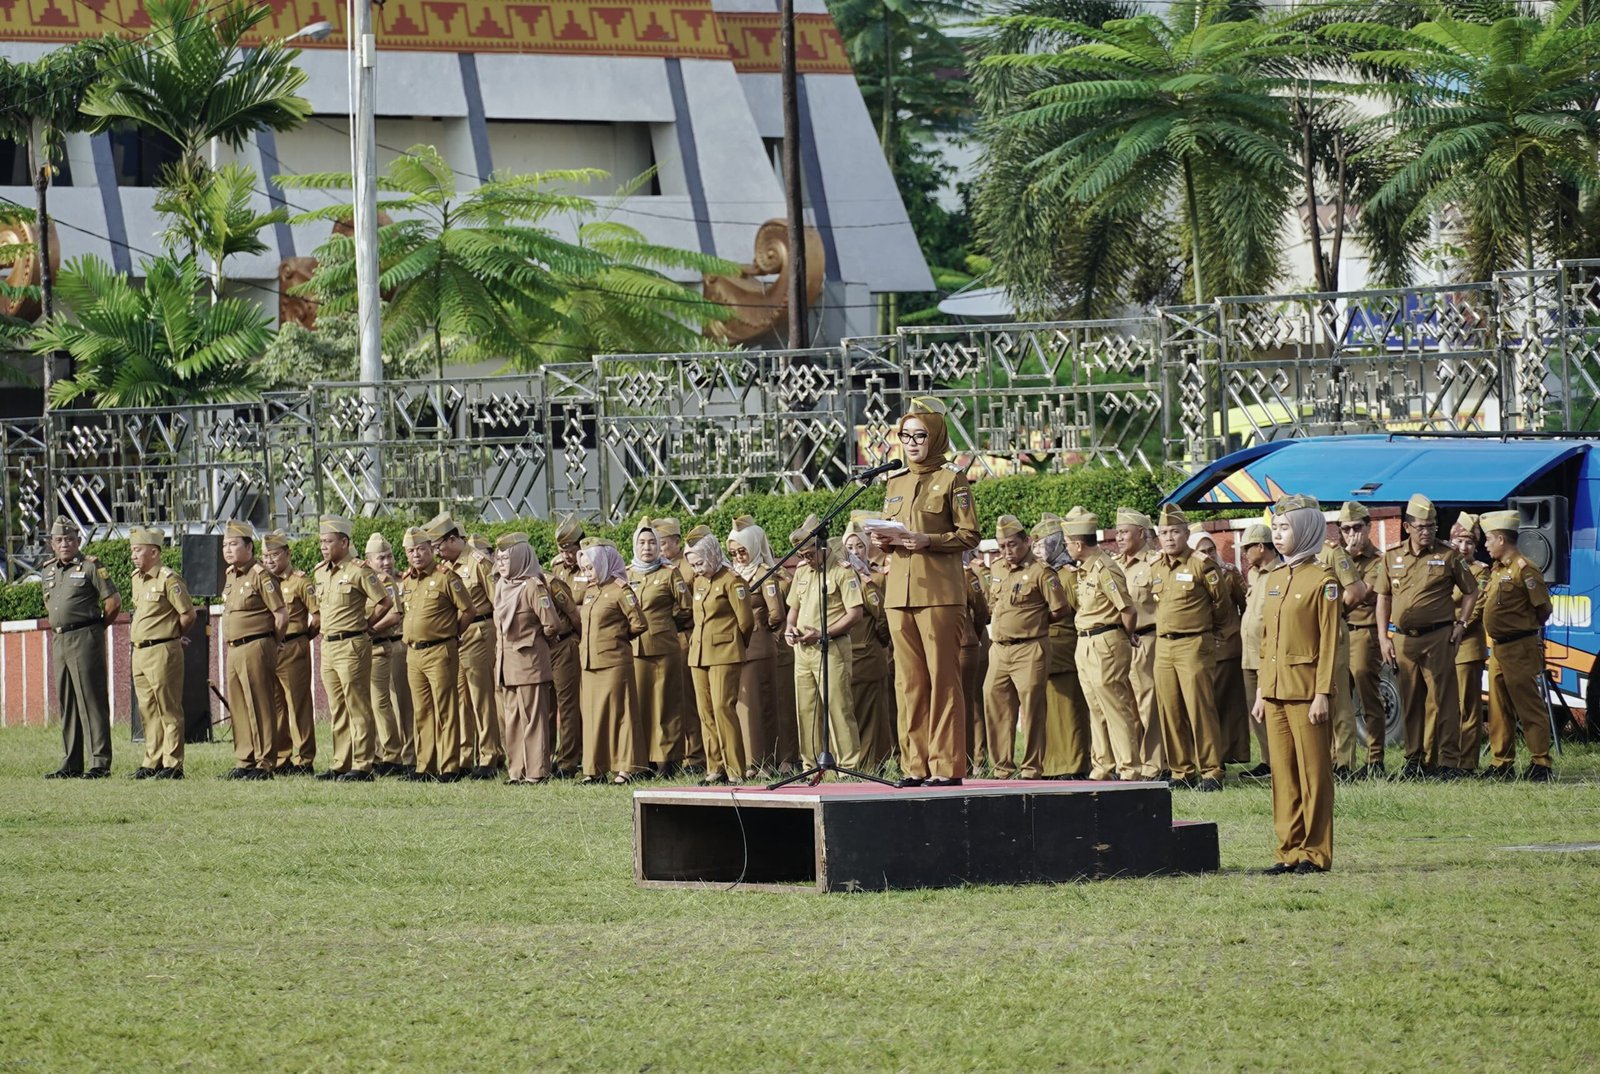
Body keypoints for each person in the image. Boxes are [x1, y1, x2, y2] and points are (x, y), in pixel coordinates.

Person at [872, 396, 981, 788]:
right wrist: (885, 541)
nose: (912, 442)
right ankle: (913, 764)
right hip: (899, 592)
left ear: (935, 437)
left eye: (919, 435)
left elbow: (970, 535)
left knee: (942, 679)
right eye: (905, 435)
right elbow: (891, 531)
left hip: (939, 593)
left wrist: (928, 540)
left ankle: (945, 765)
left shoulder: (953, 479)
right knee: (909, 682)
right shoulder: (895, 481)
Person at [1254, 494, 1342, 875]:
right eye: (1275, 528)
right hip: (1274, 691)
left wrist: (1322, 693)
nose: (1278, 535)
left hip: (1307, 693)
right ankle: (1287, 850)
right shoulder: (1274, 578)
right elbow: (1266, 639)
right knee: (1283, 775)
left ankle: (1315, 852)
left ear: (1306, 530)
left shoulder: (1324, 580)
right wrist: (1260, 690)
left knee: (1313, 775)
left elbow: (1330, 643)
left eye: (1285, 528)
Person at [1375, 493, 1479, 779]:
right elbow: (1383, 598)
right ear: (1407, 527)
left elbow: (1471, 591)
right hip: (1403, 639)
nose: (1427, 532)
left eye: (1431, 526)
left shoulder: (1448, 555)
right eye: (1421, 526)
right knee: (1410, 701)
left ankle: (1448, 761)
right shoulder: (1392, 556)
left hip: (1439, 637)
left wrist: (1461, 623)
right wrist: (1383, 637)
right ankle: (1414, 760)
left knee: (1444, 700)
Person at [983, 515, 1069, 779]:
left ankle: (1032, 769)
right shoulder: (996, 569)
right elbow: (992, 604)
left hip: (1030, 648)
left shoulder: (1041, 572)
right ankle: (1002, 769)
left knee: (1031, 709)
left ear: (1027, 541)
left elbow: (1061, 609)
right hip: (999, 649)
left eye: (1012, 545)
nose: (1007, 551)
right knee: (994, 704)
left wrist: (1034, 623)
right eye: (1001, 546)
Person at [1062, 509, 1141, 781]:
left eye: (1066, 542)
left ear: (1078, 544)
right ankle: (1103, 766)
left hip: (1106, 641)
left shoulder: (1105, 568)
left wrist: (1125, 635)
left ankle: (1129, 769)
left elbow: (1128, 610)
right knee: (1096, 708)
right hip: (1085, 642)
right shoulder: (1084, 570)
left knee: (1115, 707)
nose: (1065, 547)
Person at [1151, 505, 1226, 791]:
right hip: (1164, 646)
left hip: (1194, 643)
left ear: (1186, 533)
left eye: (1175, 532)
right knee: (1169, 709)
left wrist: (1210, 634)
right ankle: (1181, 771)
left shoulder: (1201, 563)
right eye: (1164, 533)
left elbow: (1221, 605)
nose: (1169, 538)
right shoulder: (1156, 566)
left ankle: (1211, 770)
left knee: (1200, 708)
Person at [783, 517, 866, 772]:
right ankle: (811, 765)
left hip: (832, 648)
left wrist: (823, 633)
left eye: (809, 554)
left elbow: (855, 614)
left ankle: (848, 766)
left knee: (838, 709)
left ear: (822, 547)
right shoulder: (801, 571)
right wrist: (789, 629)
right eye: (802, 555)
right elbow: (793, 609)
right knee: (806, 709)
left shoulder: (842, 570)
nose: (806, 560)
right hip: (803, 650)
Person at [312, 516, 391, 782]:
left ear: (344, 542)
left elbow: (384, 602)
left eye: (329, 541)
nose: (323, 546)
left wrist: (367, 624)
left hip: (352, 644)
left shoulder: (359, 570)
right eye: (322, 541)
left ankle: (363, 764)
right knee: (337, 708)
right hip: (328, 645)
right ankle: (340, 762)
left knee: (357, 705)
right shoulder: (320, 572)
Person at [1479, 510, 1555, 781]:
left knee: (1528, 705)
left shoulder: (1525, 568)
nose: (1485, 545)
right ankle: (1502, 762)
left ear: (1501, 539)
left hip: (1520, 647)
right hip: (1499, 649)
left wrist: (1523, 629)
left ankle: (1541, 761)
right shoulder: (1497, 570)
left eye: (1488, 539)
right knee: (1498, 708)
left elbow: (1543, 608)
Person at [40, 517, 120, 780]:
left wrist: (97, 628)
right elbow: (49, 603)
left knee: (92, 700)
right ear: (52, 544)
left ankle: (99, 762)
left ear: (78, 541)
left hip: (85, 636)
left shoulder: (91, 567)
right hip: (60, 640)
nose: (65, 544)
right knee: (68, 702)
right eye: (59, 540)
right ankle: (71, 762)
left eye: (70, 539)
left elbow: (113, 602)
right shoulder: (48, 570)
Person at [430, 513, 502, 780]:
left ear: (453, 539)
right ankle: (464, 756)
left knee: (481, 697)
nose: (436, 553)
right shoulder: (446, 567)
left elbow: (498, 601)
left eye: (439, 546)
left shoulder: (478, 562)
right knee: (461, 699)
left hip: (479, 633)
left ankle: (489, 756)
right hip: (456, 637)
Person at [398, 527, 473, 781]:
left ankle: (450, 766)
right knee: (421, 711)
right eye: (411, 550)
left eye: (421, 549)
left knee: (446, 709)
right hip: (413, 653)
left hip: (440, 650)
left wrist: (453, 635)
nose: (416, 555)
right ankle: (424, 765)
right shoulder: (406, 580)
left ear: (431, 549)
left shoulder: (446, 578)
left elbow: (468, 611)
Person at [493, 533, 565, 784]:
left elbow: (552, 623)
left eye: (506, 558)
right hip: (507, 663)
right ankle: (517, 771)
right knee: (512, 719)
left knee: (534, 719)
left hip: (529, 661)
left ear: (520, 559)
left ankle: (537, 771)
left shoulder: (533, 585)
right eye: (499, 559)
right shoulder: (501, 586)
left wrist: (540, 639)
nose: (501, 564)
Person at [685, 534, 755, 784]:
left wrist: (735, 645)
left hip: (725, 653)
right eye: (693, 565)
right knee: (706, 713)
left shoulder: (733, 581)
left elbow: (746, 622)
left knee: (723, 708)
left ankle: (736, 769)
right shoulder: (699, 582)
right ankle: (715, 768)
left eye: (700, 563)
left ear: (712, 556)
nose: (697, 569)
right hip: (699, 653)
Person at [219, 520, 286, 779]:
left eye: (233, 544)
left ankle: (265, 761)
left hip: (257, 644)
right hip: (234, 648)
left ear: (248, 547)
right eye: (225, 545)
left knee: (260, 703)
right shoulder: (230, 575)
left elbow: (281, 615)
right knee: (238, 705)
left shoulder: (261, 574)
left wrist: (273, 642)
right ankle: (244, 760)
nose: (227, 549)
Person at [577, 541, 649, 784]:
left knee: (621, 714)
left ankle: (625, 769)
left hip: (614, 662)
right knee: (593, 715)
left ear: (603, 564)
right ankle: (594, 769)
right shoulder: (589, 591)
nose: (587, 572)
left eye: (590, 567)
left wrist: (617, 637)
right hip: (590, 663)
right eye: (584, 568)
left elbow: (639, 623)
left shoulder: (621, 590)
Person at [128, 527, 196, 780]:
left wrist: (173, 634)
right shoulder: (137, 578)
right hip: (140, 652)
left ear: (154, 552)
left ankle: (173, 763)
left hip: (163, 650)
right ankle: (152, 760)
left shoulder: (169, 579)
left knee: (168, 708)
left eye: (138, 550)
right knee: (147, 709)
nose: (133, 555)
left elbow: (188, 614)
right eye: (133, 550)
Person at [629, 521, 693, 775]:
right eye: (642, 543)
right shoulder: (627, 574)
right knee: (641, 705)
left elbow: (686, 609)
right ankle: (643, 761)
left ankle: (668, 759)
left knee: (666, 705)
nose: (647, 547)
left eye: (652, 542)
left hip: (665, 647)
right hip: (636, 649)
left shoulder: (669, 573)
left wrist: (668, 626)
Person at [727, 517, 786, 776]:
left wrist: (763, 630)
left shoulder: (764, 574)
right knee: (743, 707)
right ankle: (750, 759)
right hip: (738, 647)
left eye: (742, 551)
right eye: (733, 552)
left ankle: (764, 761)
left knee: (760, 706)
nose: (739, 557)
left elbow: (776, 614)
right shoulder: (734, 574)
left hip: (758, 646)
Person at [1191, 530, 1249, 772]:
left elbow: (1246, 605)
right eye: (1202, 551)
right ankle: (1204, 757)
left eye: (1210, 550)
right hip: (1196, 647)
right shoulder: (1187, 573)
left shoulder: (1228, 573)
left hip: (1226, 647)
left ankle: (1226, 756)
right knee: (1203, 705)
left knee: (1228, 705)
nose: (1207, 555)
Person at [1035, 518, 1090, 779]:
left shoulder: (1070, 576)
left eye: (1043, 545)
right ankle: (1051, 765)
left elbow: (1084, 611)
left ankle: (1074, 764)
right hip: (1042, 650)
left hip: (1065, 648)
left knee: (1069, 712)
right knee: (1048, 713)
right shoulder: (1044, 574)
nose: (1038, 550)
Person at [1336, 502, 1387, 779]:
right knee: (1339, 698)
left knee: (1368, 697)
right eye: (1346, 529)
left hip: (1363, 632)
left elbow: (1363, 593)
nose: (1352, 534)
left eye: (1358, 527)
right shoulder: (1335, 557)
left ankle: (1375, 757)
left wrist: (1350, 561)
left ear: (1368, 528)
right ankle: (1341, 759)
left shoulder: (1378, 560)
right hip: (1339, 631)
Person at [1314, 523, 1367, 781]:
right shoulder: (1292, 557)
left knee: (1337, 697)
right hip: (1304, 634)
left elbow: (1357, 590)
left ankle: (1344, 763)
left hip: (1331, 631)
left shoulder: (1331, 552)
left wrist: (1335, 613)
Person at [1115, 507, 1165, 777]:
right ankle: (1130, 762)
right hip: (1119, 642)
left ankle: (1155, 763)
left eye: (1124, 532)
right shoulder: (1115, 564)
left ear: (1142, 533)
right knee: (1126, 706)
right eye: (1118, 532)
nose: (1119, 537)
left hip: (1146, 639)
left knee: (1149, 704)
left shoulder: (1155, 563)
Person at [263, 529, 318, 776]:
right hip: (270, 648)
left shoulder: (300, 582)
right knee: (276, 705)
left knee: (298, 704)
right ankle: (282, 758)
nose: (270, 561)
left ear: (287, 553)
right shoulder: (264, 582)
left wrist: (304, 637)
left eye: (274, 555)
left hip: (294, 646)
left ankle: (304, 759)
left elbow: (317, 616)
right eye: (265, 557)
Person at [652, 516, 702, 771]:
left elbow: (690, 607)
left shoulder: (689, 567)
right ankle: (671, 753)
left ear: (676, 541)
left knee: (688, 699)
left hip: (684, 635)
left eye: (662, 542)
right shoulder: (655, 568)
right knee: (666, 700)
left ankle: (694, 755)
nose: (658, 547)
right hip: (663, 639)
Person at [843, 524, 895, 769]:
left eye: (860, 547)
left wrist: (881, 643)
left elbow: (883, 618)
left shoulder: (875, 578)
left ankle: (873, 763)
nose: (855, 552)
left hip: (869, 651)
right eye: (849, 547)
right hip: (845, 654)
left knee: (874, 714)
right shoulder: (841, 576)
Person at [365, 532, 415, 777]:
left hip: (397, 645)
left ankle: (407, 756)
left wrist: (369, 629)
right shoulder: (365, 581)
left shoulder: (396, 581)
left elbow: (395, 615)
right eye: (380, 558)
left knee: (403, 705)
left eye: (389, 557)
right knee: (378, 705)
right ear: (369, 561)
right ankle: (379, 753)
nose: (387, 562)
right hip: (372, 648)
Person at [1449, 513, 1491, 775]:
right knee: (1447, 705)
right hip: (1442, 644)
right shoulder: (1445, 566)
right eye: (1459, 541)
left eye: (1469, 543)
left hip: (1466, 644)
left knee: (1468, 706)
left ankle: (1467, 762)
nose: (1463, 547)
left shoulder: (1480, 571)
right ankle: (1448, 758)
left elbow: (1477, 605)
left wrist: (1457, 626)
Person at [1236, 523, 1278, 779]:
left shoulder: (1280, 573)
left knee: (1271, 710)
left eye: (1247, 548)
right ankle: (1267, 760)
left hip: (1268, 654)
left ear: (1261, 547)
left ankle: (1282, 760)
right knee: (1256, 711)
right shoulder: (1253, 574)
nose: (1244, 554)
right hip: (1248, 654)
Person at [961, 549, 992, 773]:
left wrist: (974, 632)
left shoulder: (969, 574)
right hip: (945, 645)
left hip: (967, 642)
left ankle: (976, 759)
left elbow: (981, 610)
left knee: (973, 704)